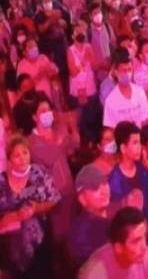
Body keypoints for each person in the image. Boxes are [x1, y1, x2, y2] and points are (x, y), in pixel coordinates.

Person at [0, 135, 60, 277]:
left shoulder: (39, 172)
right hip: (10, 245)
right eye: (17, 156)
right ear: (9, 160)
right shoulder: (1, 181)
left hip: (40, 241)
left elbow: (54, 199)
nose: (22, 158)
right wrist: (13, 216)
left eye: (25, 153)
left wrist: (36, 208)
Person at [27, 96, 78, 242]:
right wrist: (61, 138)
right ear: (34, 117)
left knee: (73, 230)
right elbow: (50, 158)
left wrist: (72, 126)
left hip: (69, 190)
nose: (48, 113)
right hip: (53, 198)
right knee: (60, 235)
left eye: (49, 110)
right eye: (43, 111)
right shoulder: (32, 142)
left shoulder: (57, 131)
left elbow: (73, 147)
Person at [78, 206, 148, 279]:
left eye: (145, 236)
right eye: (136, 241)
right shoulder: (95, 272)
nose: (144, 246)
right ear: (118, 248)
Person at [108, 121, 148, 244]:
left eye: (139, 142)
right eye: (134, 143)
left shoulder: (143, 170)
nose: (140, 147)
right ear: (123, 148)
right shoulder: (114, 180)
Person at [67, 164, 112, 268]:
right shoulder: (80, 234)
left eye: (104, 183)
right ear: (82, 199)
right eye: (95, 188)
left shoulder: (114, 215)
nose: (104, 191)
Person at [103, 50, 148, 130]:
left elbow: (146, 120)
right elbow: (111, 129)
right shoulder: (110, 100)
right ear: (116, 72)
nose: (127, 73)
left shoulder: (140, 92)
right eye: (124, 71)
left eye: (129, 70)